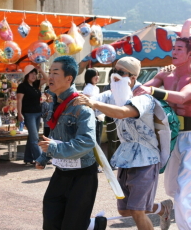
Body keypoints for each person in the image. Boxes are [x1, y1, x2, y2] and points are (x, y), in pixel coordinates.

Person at [76, 56, 173, 230]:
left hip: (146, 159)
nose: (115, 76)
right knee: (126, 210)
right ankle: (161, 208)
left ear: (133, 78)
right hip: (126, 158)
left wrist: (93, 102)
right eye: (114, 71)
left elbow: (123, 112)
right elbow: (90, 102)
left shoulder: (144, 97)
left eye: (121, 72)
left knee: (137, 211)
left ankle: (157, 209)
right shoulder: (112, 94)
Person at [134, 33, 191, 229]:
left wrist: (152, 91)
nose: (174, 51)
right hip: (168, 136)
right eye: (173, 48)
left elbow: (183, 97)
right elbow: (141, 90)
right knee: (172, 188)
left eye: (179, 49)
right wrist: (126, 79)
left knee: (186, 190)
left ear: (190, 53)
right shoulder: (164, 74)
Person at [35, 56, 106, 230]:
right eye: (49, 72)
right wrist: (43, 157)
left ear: (69, 78)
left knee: (72, 226)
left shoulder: (81, 106)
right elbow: (54, 135)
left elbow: (87, 141)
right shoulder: (56, 102)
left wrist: (54, 148)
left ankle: (95, 225)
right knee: (51, 221)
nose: (49, 77)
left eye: (55, 73)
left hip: (83, 176)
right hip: (61, 173)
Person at [16, 65, 48, 165]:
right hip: (28, 114)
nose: (34, 76)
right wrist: (19, 113)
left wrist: (41, 70)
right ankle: (40, 160)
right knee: (35, 138)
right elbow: (19, 100)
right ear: (26, 74)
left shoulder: (36, 84)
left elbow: (47, 79)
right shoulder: (22, 86)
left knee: (32, 137)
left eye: (35, 74)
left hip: (38, 113)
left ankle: (28, 158)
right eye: (32, 74)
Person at [102, 69, 120, 169]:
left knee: (119, 140)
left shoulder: (122, 87)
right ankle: (111, 162)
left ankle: (117, 161)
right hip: (111, 118)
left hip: (121, 117)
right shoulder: (107, 87)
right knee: (112, 140)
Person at [82, 68, 103, 146]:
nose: (97, 77)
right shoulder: (88, 88)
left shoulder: (96, 88)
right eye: (95, 75)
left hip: (98, 116)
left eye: (98, 75)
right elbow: (87, 104)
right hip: (92, 116)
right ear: (89, 77)